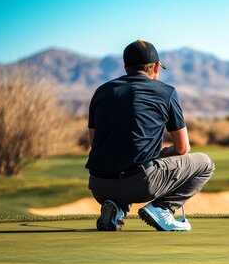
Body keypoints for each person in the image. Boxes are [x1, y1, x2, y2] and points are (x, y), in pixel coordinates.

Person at [85, 39, 215, 232]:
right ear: (155, 67)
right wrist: (162, 154)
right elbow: (182, 148)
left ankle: (116, 209)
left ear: (126, 67)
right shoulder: (166, 92)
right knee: (205, 164)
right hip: (141, 185)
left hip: (99, 186)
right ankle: (162, 209)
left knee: (127, 158)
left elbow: (94, 143)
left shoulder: (102, 91)